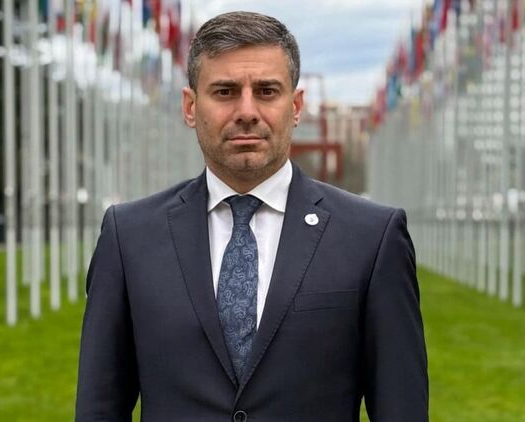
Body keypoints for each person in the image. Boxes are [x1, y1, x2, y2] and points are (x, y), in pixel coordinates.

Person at [75, 11, 428, 422]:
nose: (247, 110)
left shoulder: (371, 238)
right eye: (225, 91)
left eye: (266, 91)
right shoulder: (129, 237)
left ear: (296, 106)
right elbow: (99, 406)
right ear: (190, 107)